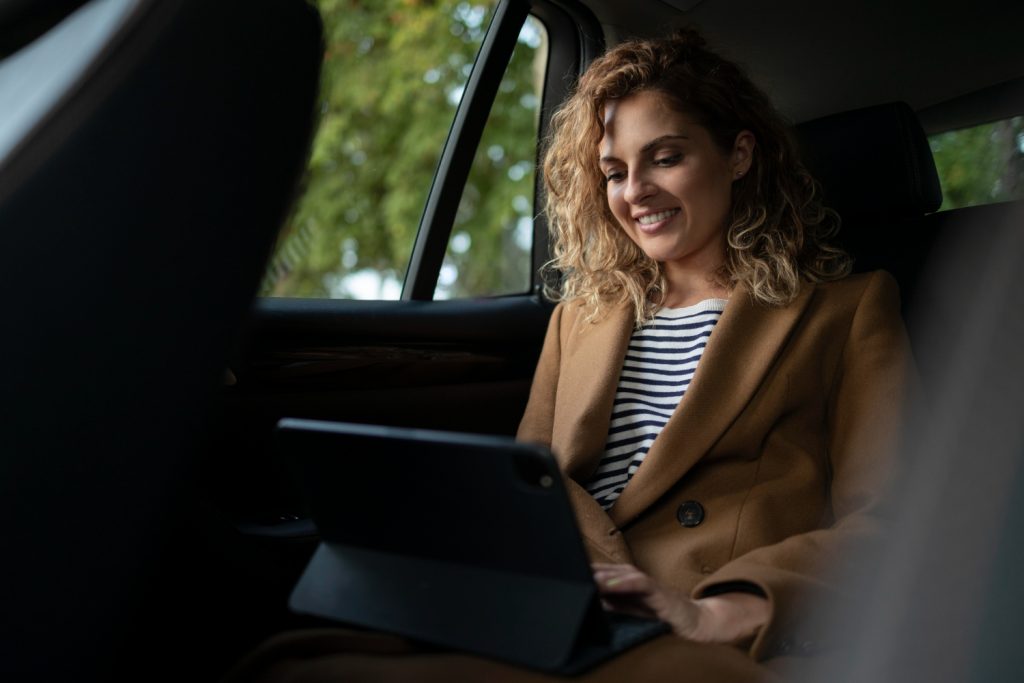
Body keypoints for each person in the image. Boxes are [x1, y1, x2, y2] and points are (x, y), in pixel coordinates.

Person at [223, 27, 913, 683]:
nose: (635, 191)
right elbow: (529, 491)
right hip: (558, 609)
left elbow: (892, 521)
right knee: (294, 661)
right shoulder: (578, 320)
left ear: (738, 155)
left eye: (665, 157)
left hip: (697, 626)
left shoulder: (845, 311)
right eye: (615, 171)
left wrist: (723, 611)